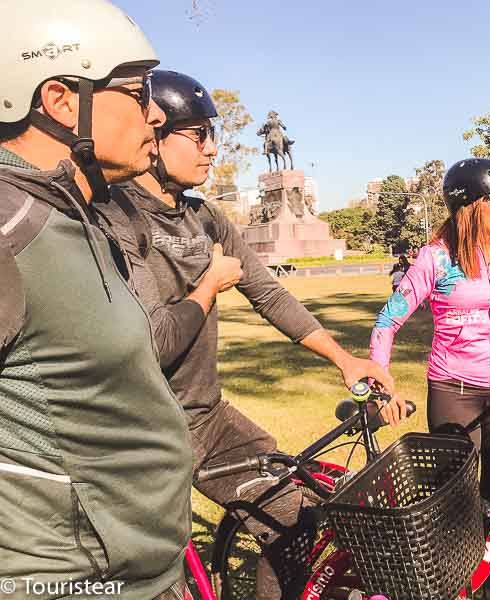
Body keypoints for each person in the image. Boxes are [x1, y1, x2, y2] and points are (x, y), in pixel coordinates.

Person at [96, 70, 401, 600]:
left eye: (213, 133)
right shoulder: (115, 217)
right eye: (198, 135)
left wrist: (343, 360)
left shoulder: (208, 218)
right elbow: (156, 340)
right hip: (143, 430)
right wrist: (210, 283)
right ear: (155, 135)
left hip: (206, 416)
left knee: (296, 520)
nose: (212, 148)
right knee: (157, 579)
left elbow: (270, 294)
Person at [0, 2, 194, 598]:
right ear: (60, 101)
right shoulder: (10, 227)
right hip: (70, 580)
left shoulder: (82, 215)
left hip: (142, 569)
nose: (156, 112)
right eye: (138, 93)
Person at [370, 158, 490, 600]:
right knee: (457, 505)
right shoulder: (437, 257)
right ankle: (455, 588)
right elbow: (387, 321)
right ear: (469, 207)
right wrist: (380, 378)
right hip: (454, 394)